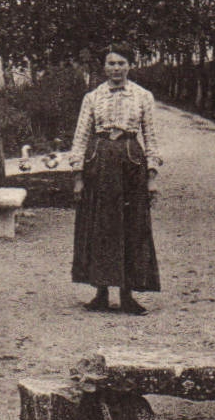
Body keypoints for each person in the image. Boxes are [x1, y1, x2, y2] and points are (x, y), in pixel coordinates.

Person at [69, 42, 161, 314]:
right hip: (99, 161)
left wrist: (152, 176)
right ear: (104, 66)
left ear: (130, 66)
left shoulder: (143, 96)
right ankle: (100, 292)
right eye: (111, 63)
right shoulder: (92, 97)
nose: (116, 69)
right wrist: (78, 176)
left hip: (132, 162)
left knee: (132, 225)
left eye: (121, 63)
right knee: (100, 226)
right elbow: (80, 137)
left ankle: (127, 294)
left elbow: (152, 138)